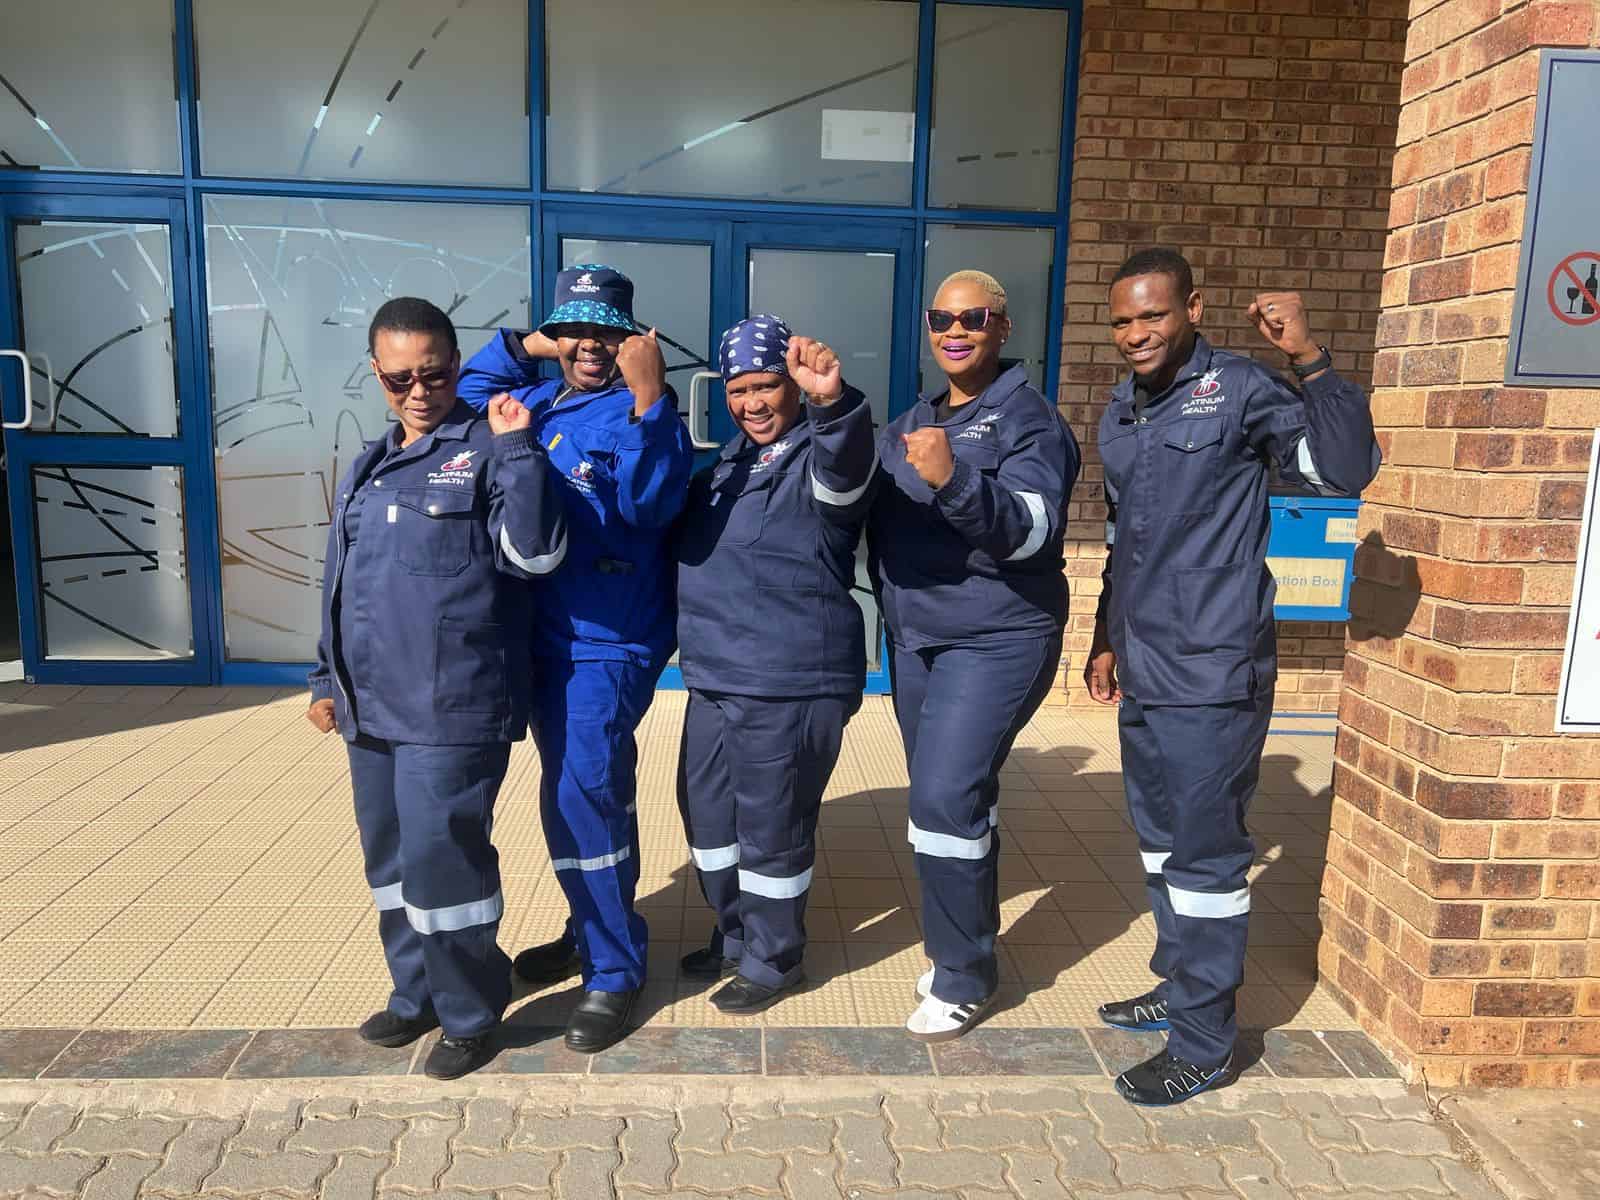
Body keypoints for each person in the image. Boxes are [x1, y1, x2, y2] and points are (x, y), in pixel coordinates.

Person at [1084, 247, 1380, 1106]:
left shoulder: (1242, 389)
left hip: (1214, 668)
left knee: (1207, 859)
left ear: (1193, 308)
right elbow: (1123, 540)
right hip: (1145, 666)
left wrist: (1310, 358)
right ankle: (1179, 985)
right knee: (1161, 844)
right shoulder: (1122, 408)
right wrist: (1105, 637)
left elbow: (1344, 469)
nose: (1136, 334)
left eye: (1152, 315)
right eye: (1123, 321)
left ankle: (1205, 1041)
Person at [306, 296, 567, 1080]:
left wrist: (519, 451)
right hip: (371, 707)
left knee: (443, 863)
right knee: (391, 864)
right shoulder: (370, 463)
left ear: (457, 367)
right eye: (400, 378)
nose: (418, 390)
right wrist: (325, 677)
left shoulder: (491, 448)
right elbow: (342, 582)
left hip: (452, 706)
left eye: (434, 373)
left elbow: (535, 556)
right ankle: (415, 991)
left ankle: (470, 1012)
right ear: (377, 375)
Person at [456, 265, 694, 1053]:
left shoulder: (643, 411)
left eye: (607, 332)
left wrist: (650, 392)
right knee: (570, 799)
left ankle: (615, 971)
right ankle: (588, 927)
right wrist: (536, 341)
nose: (590, 345)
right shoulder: (542, 400)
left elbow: (650, 504)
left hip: (606, 643)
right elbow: (467, 389)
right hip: (539, 637)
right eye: (575, 331)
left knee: (584, 795)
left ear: (633, 339)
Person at [868, 269, 1081, 1042]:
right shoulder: (913, 418)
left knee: (943, 796)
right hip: (917, 637)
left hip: (997, 635)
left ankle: (962, 973)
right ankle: (963, 946)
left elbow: (1032, 532)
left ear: (1002, 326)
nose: (955, 332)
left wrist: (956, 479)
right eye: (942, 319)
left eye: (973, 318)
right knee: (955, 803)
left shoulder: (1029, 420)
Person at [674, 317, 875, 1013]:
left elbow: (846, 478)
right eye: (738, 390)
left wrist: (831, 403)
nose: (752, 403)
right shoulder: (725, 466)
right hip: (715, 676)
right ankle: (735, 934)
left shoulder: (818, 454)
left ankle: (774, 956)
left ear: (792, 387)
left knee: (772, 827)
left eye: (766, 386)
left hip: (788, 679)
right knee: (708, 820)